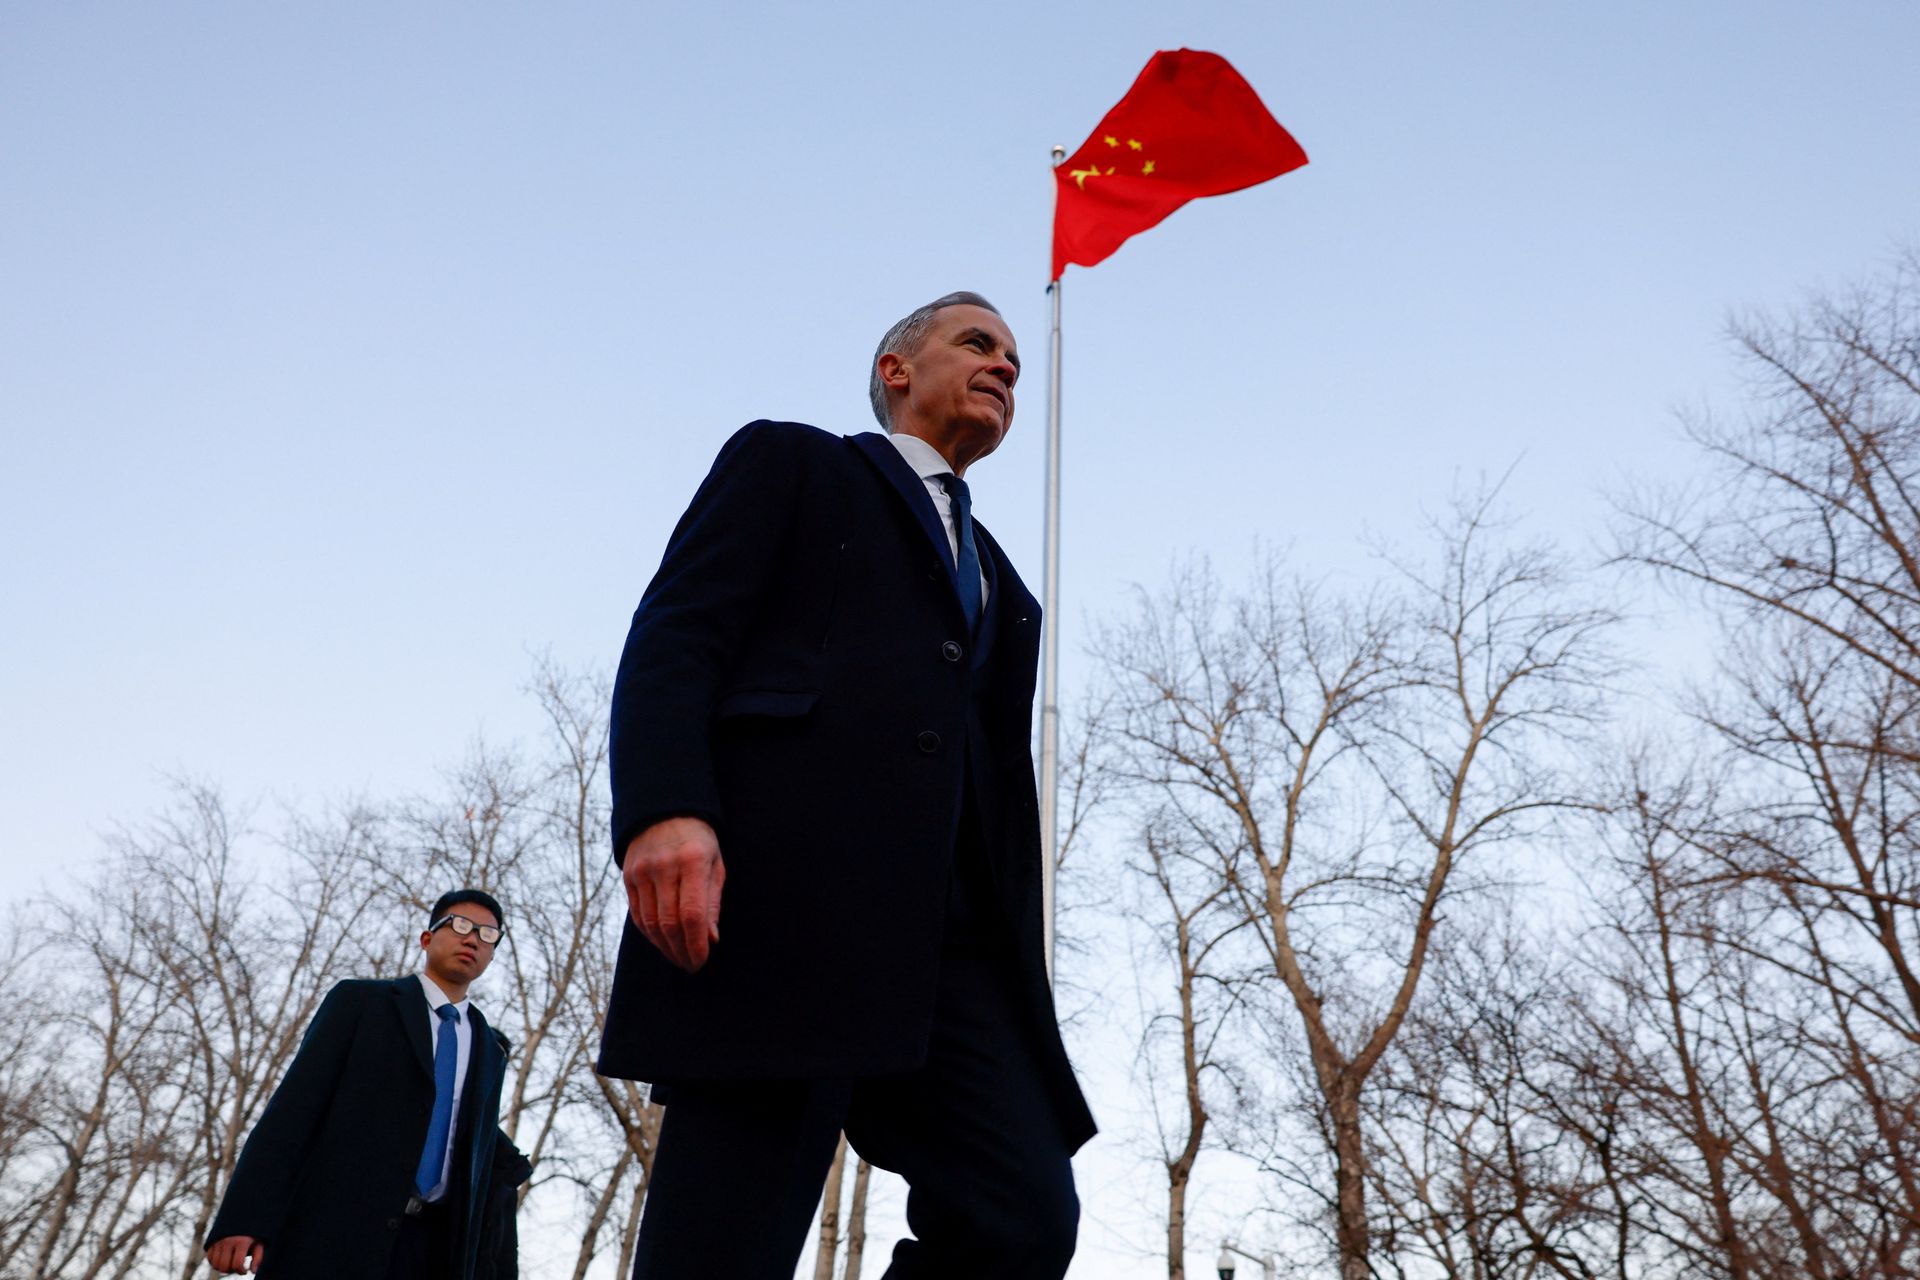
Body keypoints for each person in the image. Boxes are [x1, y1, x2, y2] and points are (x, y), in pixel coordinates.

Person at [600, 291, 1096, 1279]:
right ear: (897, 370)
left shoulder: (1005, 581)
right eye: (977, 342)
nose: (1005, 364)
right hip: (783, 905)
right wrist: (664, 808)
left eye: (1013, 356)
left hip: (955, 949)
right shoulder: (794, 461)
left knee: (1024, 1209)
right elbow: (679, 632)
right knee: (723, 1243)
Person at [204, 889, 532, 1280]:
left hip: (430, 1252)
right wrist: (245, 1216)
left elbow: (476, 1173)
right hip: (333, 1235)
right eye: (460, 925)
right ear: (427, 938)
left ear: (492, 954)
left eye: (487, 934)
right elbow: (293, 1110)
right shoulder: (361, 1003)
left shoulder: (489, 1050)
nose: (472, 939)